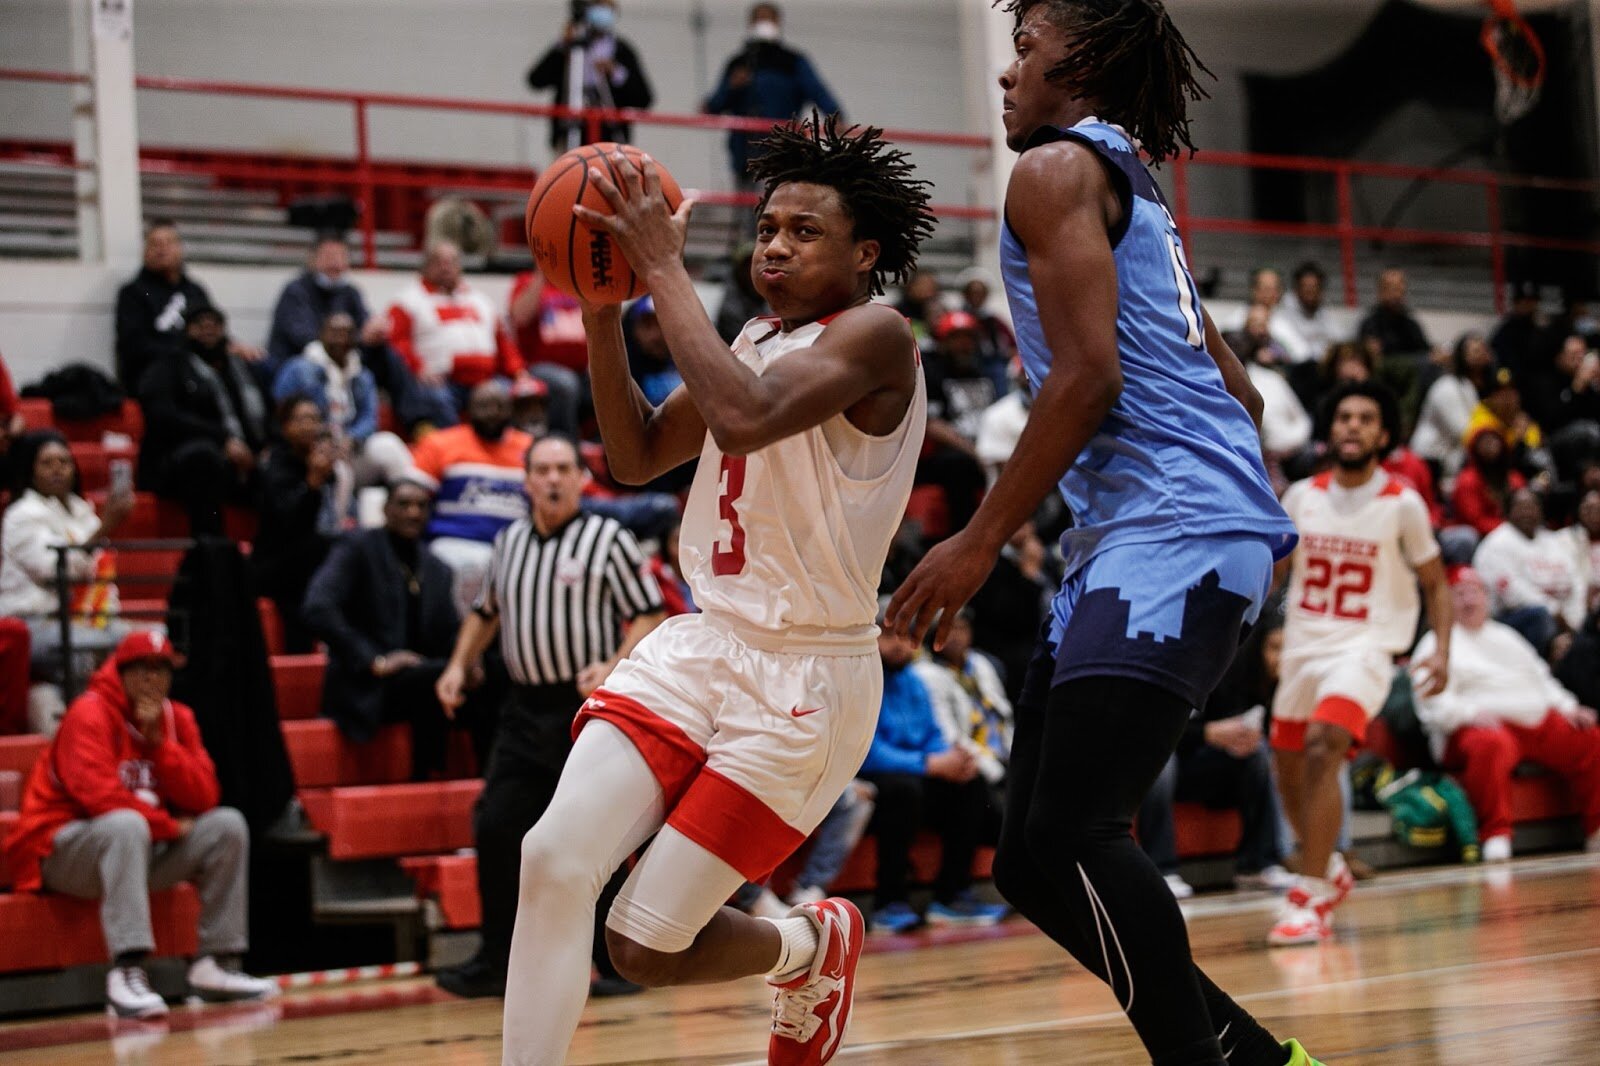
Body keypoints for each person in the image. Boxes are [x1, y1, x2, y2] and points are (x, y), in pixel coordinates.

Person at [886, 4, 1319, 1064]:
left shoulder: (1051, 171)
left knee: (1077, 833)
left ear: (1078, 60)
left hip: (1164, 534)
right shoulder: (1136, 187)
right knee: (1032, 860)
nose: (1005, 73)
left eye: (1024, 49)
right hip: (1160, 533)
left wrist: (978, 538)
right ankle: (1257, 1058)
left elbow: (1088, 377)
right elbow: (1245, 395)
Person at [501, 116, 931, 1065]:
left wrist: (657, 267)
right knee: (552, 860)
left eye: (804, 231)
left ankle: (808, 946)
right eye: (768, 226)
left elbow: (742, 419)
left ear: (865, 255)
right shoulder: (751, 334)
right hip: (705, 646)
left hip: (807, 682)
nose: (774, 243)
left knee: (641, 946)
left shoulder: (878, 339)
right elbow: (637, 451)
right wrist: (604, 306)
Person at [432, 435, 665, 1000]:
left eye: (564, 469)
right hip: (521, 710)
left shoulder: (606, 538)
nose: (554, 479)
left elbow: (649, 614)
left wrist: (612, 664)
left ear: (580, 479)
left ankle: (614, 964)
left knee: (595, 833)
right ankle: (494, 960)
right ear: (527, 480)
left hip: (583, 710)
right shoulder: (508, 542)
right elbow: (486, 613)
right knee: (496, 827)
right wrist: (458, 666)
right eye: (543, 470)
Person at [2, 632, 276, 1018]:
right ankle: (126, 971)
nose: (152, 680)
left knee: (227, 825)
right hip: (59, 852)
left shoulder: (177, 718)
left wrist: (160, 746)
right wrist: (166, 826)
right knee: (125, 825)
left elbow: (205, 796)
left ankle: (216, 963)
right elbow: (101, 799)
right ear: (120, 672)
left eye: (161, 669)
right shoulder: (89, 714)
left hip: (133, 851)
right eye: (142, 670)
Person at [1271, 383, 1450, 946]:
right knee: (1288, 769)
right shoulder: (1301, 495)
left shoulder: (1402, 501)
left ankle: (1310, 892)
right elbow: (1273, 573)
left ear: (1384, 434)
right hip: (1302, 647)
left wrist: (1442, 648)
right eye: (1344, 416)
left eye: (1365, 418)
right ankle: (1329, 865)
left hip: (1366, 648)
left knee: (1326, 742)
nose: (1352, 426)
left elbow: (1436, 585)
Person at [303, 479, 483, 782]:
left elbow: (449, 631)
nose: (413, 513)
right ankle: (426, 776)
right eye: (404, 504)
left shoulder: (437, 567)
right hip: (366, 684)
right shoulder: (358, 547)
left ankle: (484, 782)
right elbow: (318, 607)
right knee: (434, 676)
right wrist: (376, 661)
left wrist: (468, 659)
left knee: (488, 672)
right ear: (386, 510)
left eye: (421, 506)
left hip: (422, 679)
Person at [1415, 567, 1600, 860]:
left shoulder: (1507, 637)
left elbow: (1542, 678)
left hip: (1531, 720)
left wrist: (1567, 706)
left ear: (1486, 598)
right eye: (1459, 594)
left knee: (1588, 737)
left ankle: (1596, 830)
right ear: (1446, 603)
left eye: (1474, 592)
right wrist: (1468, 713)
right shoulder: (1435, 643)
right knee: (1490, 744)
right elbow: (1430, 703)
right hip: (1475, 727)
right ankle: (1495, 833)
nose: (1468, 600)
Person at [860, 624, 1006, 933]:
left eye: (904, 636)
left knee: (970, 782)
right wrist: (929, 763)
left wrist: (952, 760)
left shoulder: (916, 682)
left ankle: (951, 896)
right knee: (903, 790)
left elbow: (933, 735)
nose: (898, 645)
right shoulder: (862, 683)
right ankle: (888, 902)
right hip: (872, 780)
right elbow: (867, 751)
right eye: (888, 637)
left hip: (916, 773)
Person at [1137, 616, 1295, 898]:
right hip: (1157, 764)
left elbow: (1242, 721)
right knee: (1160, 762)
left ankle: (1257, 864)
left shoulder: (1226, 666)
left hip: (1201, 768)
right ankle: (1162, 870)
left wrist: (1240, 736)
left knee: (1255, 757)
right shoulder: (1157, 660)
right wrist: (1208, 733)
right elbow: (1150, 728)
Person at [0, 431, 134, 735]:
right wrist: (107, 526)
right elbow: (54, 571)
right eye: (47, 463)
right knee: (94, 651)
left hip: (84, 622)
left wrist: (111, 617)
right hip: (33, 623)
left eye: (64, 461)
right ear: (30, 470)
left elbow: (100, 574)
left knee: (152, 640)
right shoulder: (20, 516)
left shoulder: (82, 511)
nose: (58, 469)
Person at [135, 305, 269, 536]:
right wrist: (222, 439)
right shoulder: (170, 365)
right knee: (202, 457)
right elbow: (162, 416)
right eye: (200, 325)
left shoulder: (241, 368)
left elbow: (271, 412)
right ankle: (211, 549)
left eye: (214, 325)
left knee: (282, 462)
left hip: (244, 459)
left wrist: (267, 447)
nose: (208, 330)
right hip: (182, 463)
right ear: (187, 330)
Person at [407, 380, 535, 614]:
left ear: (511, 410)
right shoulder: (440, 443)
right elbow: (410, 497)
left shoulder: (530, 448)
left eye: (499, 406)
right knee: (473, 565)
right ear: (468, 409)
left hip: (516, 545)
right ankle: (463, 645)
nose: (492, 413)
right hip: (454, 542)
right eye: (483, 406)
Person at [273, 312, 414, 495]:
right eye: (334, 332)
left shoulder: (362, 375)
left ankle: (405, 505)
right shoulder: (299, 368)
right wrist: (321, 439)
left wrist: (351, 439)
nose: (341, 339)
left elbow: (369, 418)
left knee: (389, 445)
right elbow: (283, 412)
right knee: (339, 471)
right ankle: (337, 523)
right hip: (311, 449)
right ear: (321, 334)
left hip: (350, 446)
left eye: (347, 333)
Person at [704, 2, 842, 185]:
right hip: (745, 154)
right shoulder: (739, 63)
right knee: (747, 207)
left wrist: (836, 117)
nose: (764, 23)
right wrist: (732, 86)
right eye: (759, 19)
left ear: (778, 22)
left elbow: (817, 91)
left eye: (768, 19)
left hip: (784, 152)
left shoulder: (793, 62)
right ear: (750, 23)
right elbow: (713, 106)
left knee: (781, 205)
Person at [387, 241, 525, 422]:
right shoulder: (408, 301)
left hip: (486, 379)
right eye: (438, 262)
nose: (445, 267)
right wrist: (418, 368)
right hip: (443, 381)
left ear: (460, 266)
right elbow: (397, 343)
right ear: (425, 266)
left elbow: (503, 341)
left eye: (451, 261)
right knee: (436, 399)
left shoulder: (480, 300)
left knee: (523, 395)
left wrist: (519, 372)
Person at [114, 221, 260, 391]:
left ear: (180, 248)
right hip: (159, 373)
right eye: (155, 244)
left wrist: (233, 346)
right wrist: (186, 352)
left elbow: (214, 330)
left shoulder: (194, 290)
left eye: (168, 243)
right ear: (145, 251)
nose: (162, 249)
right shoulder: (133, 293)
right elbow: (134, 346)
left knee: (251, 366)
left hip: (200, 368)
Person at [253, 397, 344, 653]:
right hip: (275, 564)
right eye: (301, 419)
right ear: (285, 427)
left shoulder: (322, 461)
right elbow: (288, 523)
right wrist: (313, 483)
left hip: (309, 560)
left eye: (315, 419)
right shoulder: (274, 465)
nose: (309, 426)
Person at [526, 0, 654, 152]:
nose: (604, 12)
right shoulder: (567, 48)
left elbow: (644, 98)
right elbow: (536, 80)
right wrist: (561, 47)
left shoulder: (622, 50)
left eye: (608, 7)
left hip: (610, 139)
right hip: (570, 136)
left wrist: (615, 72)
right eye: (599, 6)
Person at [1473, 486, 1585, 655]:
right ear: (1508, 511)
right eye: (1521, 507)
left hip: (1561, 618)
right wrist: (1554, 611)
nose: (1527, 512)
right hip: (1508, 619)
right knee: (1539, 616)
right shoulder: (1496, 545)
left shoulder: (1553, 541)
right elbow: (1513, 594)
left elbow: (1576, 582)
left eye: (1532, 506)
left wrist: (1575, 620)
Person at [264, 233, 389, 381]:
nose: (336, 263)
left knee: (383, 358)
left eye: (341, 256)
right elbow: (306, 340)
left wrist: (374, 331)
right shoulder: (296, 292)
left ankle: (411, 402)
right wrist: (359, 338)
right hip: (296, 366)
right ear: (313, 260)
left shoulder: (350, 292)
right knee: (312, 367)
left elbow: (365, 324)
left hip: (340, 364)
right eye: (329, 257)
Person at [507, 269, 587, 436]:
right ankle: (566, 443)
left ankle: (600, 448)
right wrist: (542, 275)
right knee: (565, 384)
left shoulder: (578, 280)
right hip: (538, 367)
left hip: (583, 368)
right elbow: (520, 317)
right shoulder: (526, 280)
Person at [1411, 333, 1495, 479]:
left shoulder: (1480, 387)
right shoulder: (1446, 387)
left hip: (1453, 460)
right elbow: (1465, 431)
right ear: (1461, 356)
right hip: (1430, 460)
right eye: (1474, 351)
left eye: (1483, 350)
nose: (1480, 355)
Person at [1273, 262, 1344, 366]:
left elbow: (1338, 342)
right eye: (1306, 287)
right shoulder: (1282, 315)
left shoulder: (1325, 315)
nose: (1310, 292)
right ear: (1296, 289)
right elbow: (1298, 353)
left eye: (1314, 287)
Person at [1358, 268, 1430, 359]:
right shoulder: (1369, 325)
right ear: (1380, 292)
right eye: (1391, 289)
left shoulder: (1411, 325)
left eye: (1400, 289)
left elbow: (1425, 353)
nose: (1396, 295)